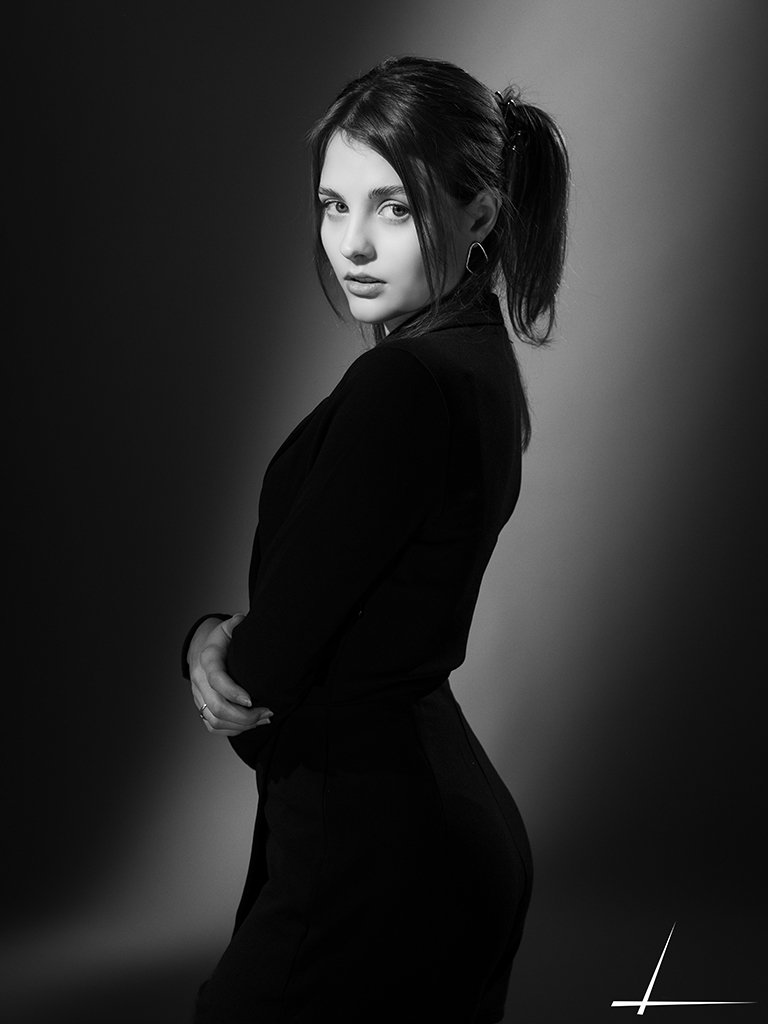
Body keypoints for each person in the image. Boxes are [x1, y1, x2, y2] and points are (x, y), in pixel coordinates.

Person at [181, 54, 569, 1024]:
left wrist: (207, 644)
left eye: (393, 208)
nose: (351, 243)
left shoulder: (403, 384)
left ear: (481, 215)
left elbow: (259, 681)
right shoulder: (477, 360)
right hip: (438, 836)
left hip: (375, 861)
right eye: (332, 205)